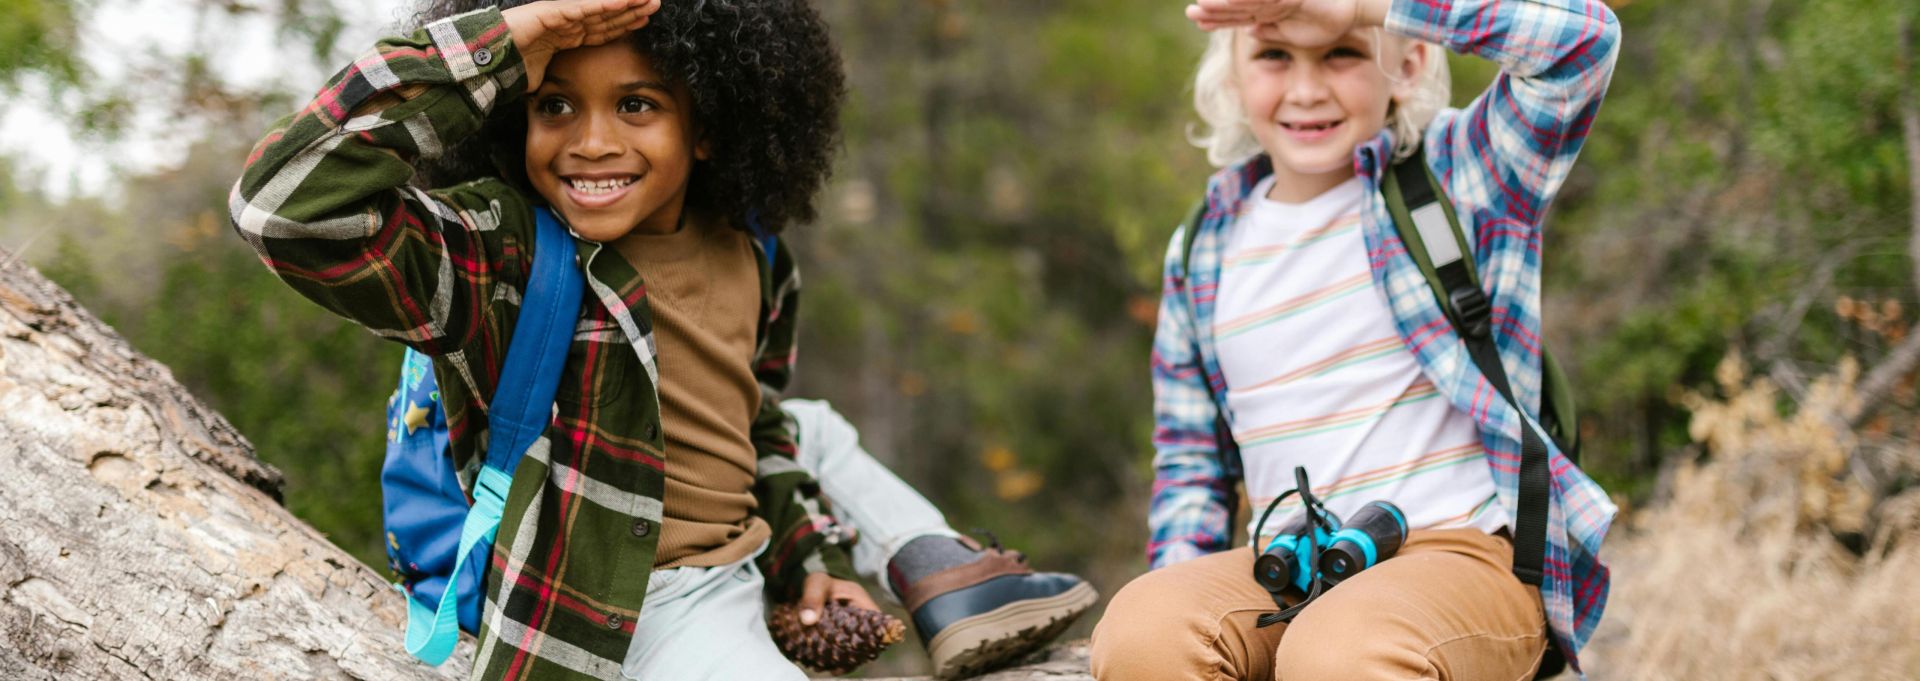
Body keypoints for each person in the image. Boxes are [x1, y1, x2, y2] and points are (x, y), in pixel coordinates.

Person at [229, 0, 1089, 678]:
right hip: (630, 609)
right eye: (554, 105)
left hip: (744, 575)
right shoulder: (507, 256)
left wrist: (806, 563)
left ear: (709, 125)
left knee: (808, 421)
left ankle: (941, 572)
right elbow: (286, 208)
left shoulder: (752, 251)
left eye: (637, 104)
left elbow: (752, 431)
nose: (592, 141)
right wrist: (497, 49)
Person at [1090, 0, 1619, 678]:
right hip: (1291, 562)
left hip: (1461, 551)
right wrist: (1184, 596)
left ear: (1410, 62)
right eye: (1275, 55)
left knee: (1340, 650)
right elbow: (1191, 464)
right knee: (1143, 627)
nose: (1307, 90)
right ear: (1231, 76)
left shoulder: (1461, 176)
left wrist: (1361, 7)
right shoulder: (1204, 246)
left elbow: (1582, 46)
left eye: (1341, 52)